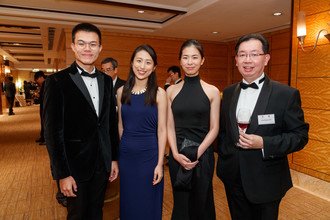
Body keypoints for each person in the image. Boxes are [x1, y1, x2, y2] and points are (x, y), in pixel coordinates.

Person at [216, 33, 309, 220]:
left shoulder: (285, 94)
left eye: (254, 54)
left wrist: (264, 143)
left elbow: (300, 136)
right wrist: (226, 156)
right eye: (242, 55)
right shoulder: (227, 92)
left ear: (266, 59)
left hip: (267, 180)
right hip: (232, 177)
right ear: (235, 60)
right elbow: (224, 132)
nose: (247, 60)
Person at [43, 22, 119, 220]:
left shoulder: (106, 81)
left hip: (102, 165)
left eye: (93, 44)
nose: (88, 49)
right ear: (73, 46)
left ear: (100, 48)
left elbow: (110, 123)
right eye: (82, 43)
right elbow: (52, 133)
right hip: (74, 168)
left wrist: (113, 158)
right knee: (77, 215)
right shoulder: (57, 82)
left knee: (97, 213)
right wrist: (62, 174)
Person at [167, 39, 220, 220]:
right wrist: (174, 153)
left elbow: (214, 128)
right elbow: (169, 126)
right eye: (185, 57)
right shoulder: (171, 91)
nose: (190, 62)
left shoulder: (212, 91)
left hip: (203, 154)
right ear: (180, 60)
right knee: (181, 202)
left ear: (202, 60)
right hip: (177, 155)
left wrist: (198, 151)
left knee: (202, 202)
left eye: (194, 57)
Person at [117, 44, 167, 220]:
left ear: (154, 68)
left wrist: (160, 163)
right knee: (129, 201)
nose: (142, 66)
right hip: (127, 157)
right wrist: (120, 154)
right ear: (131, 63)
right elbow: (121, 126)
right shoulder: (121, 92)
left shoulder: (160, 94)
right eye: (139, 61)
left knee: (147, 203)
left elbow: (162, 130)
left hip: (149, 157)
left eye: (148, 62)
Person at [34, 71, 46, 145]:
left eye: (37, 79)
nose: (37, 81)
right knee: (43, 122)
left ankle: (45, 139)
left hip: (46, 106)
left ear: (41, 77)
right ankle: (42, 137)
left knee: (45, 123)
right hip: (43, 106)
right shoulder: (43, 84)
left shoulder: (47, 84)